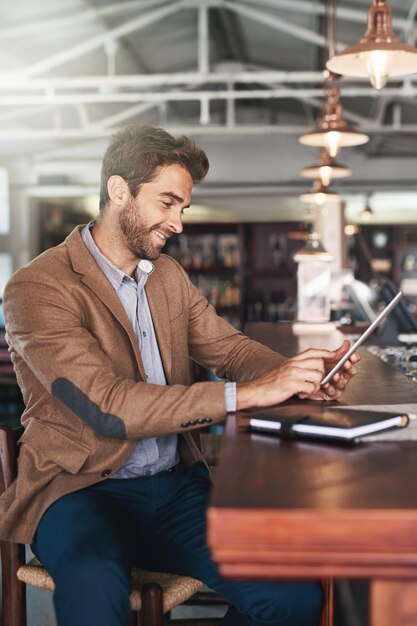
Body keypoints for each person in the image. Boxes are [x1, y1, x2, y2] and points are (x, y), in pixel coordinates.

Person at [0, 124, 359, 626]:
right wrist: (249, 394)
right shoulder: (37, 286)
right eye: (167, 203)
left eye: (183, 208)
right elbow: (109, 408)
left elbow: (229, 348)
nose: (178, 223)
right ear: (118, 190)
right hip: (77, 488)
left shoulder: (167, 276)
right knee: (95, 591)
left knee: (293, 598)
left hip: (173, 489)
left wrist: (298, 374)